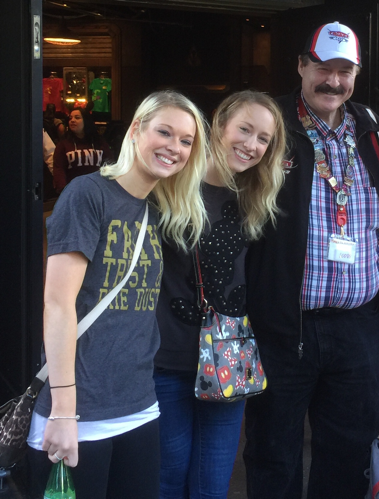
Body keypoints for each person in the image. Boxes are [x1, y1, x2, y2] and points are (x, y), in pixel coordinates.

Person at [243, 21, 379, 499]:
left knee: (348, 454)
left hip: (359, 328)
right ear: (301, 66)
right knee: (273, 453)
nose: (333, 81)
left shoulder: (373, 129)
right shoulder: (270, 125)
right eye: (322, 68)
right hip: (284, 327)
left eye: (344, 71)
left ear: (356, 74)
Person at [26, 90, 209, 499]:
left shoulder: (159, 208)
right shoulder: (88, 194)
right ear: (137, 129)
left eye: (186, 140)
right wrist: (64, 412)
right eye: (165, 132)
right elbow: (58, 305)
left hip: (140, 405)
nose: (174, 147)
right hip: (79, 412)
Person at [154, 90, 286, 499]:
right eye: (244, 129)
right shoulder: (168, 184)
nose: (251, 145)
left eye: (263, 139)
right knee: (167, 479)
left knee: (212, 485)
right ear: (219, 124)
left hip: (228, 361)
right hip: (166, 359)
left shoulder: (256, 196)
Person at [53, 107, 113, 193]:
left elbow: (109, 164)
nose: (72, 120)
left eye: (77, 118)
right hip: (73, 191)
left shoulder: (99, 142)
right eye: (70, 118)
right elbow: (59, 170)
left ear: (86, 120)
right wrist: (64, 191)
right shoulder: (64, 144)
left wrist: (109, 187)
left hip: (97, 190)